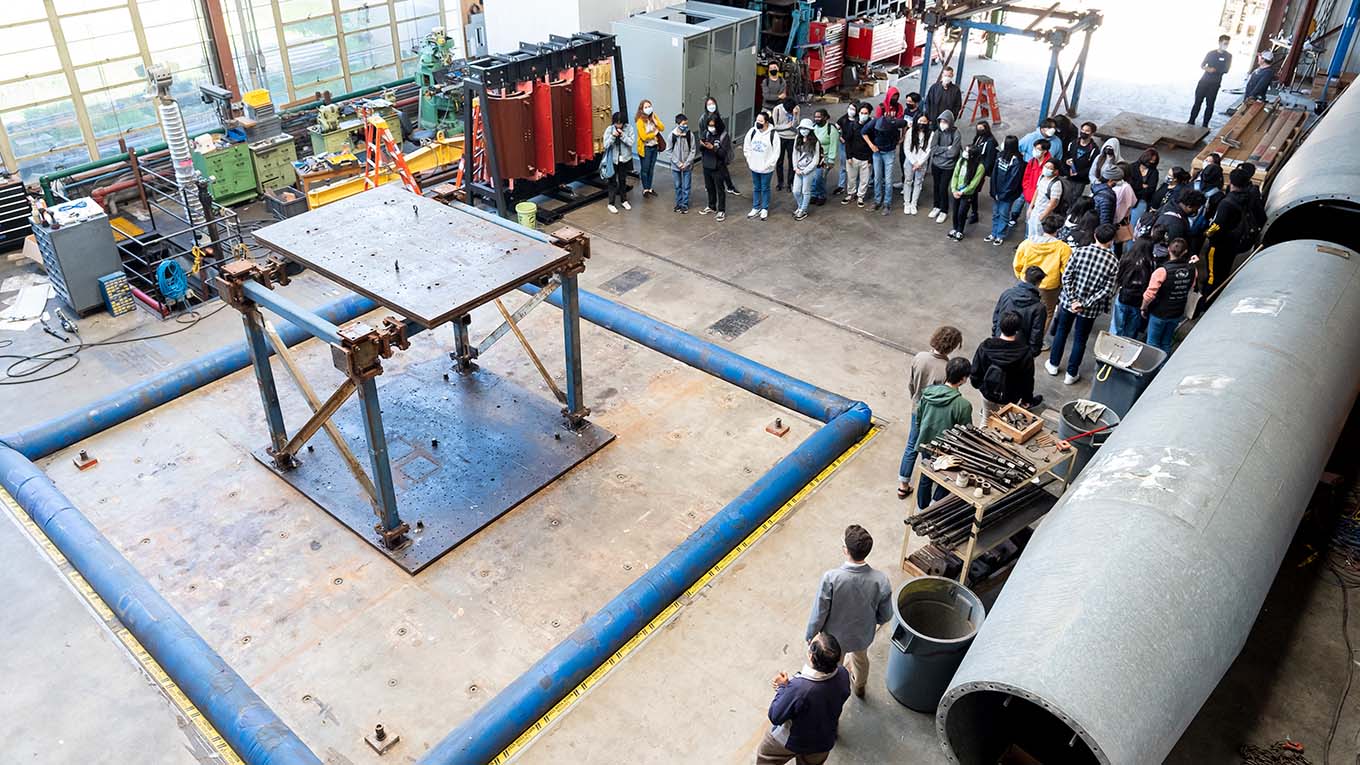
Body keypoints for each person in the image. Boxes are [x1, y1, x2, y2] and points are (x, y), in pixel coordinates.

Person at [804, 524, 893, 700]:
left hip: (834, 639)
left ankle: (834, 694)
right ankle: (860, 686)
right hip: (862, 635)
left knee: (834, 667)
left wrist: (811, 634)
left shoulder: (831, 578)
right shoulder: (880, 580)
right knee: (860, 660)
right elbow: (886, 615)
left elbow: (819, 612)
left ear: (846, 550)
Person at [757, 633, 851, 765]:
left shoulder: (799, 688)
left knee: (765, 756)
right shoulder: (843, 674)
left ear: (811, 656)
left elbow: (775, 716)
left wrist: (783, 687)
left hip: (793, 740)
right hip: (823, 741)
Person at [1045, 223, 1119, 385]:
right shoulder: (1113, 261)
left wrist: (1073, 300)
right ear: (1111, 241)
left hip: (1067, 303)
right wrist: (1085, 303)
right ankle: (1071, 374)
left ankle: (1053, 364)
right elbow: (1107, 290)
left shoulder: (1080, 251)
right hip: (1089, 309)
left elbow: (1066, 277)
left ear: (1095, 235)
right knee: (1080, 339)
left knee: (1062, 332)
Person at [898, 325, 964, 499]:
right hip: (932, 413)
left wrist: (915, 399)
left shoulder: (920, 357)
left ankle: (903, 484)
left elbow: (911, 383)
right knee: (929, 448)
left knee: (911, 445)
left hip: (917, 407)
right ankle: (929, 481)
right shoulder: (947, 368)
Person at [913, 357, 974, 510]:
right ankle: (936, 504)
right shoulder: (963, 405)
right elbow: (966, 433)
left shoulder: (928, 393)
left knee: (927, 474)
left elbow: (918, 418)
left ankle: (922, 508)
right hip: (947, 449)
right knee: (948, 477)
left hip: (926, 442)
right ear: (963, 379)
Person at [971, 311, 1042, 420]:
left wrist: (981, 386)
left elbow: (975, 371)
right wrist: (1027, 398)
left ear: (1000, 326)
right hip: (1010, 397)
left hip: (988, 393)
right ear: (1018, 330)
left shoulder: (986, 346)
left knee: (986, 419)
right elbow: (1027, 380)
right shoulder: (1024, 353)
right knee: (1006, 423)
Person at [1012, 214, 1073, 336]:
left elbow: (1017, 264)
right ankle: (1038, 340)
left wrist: (1021, 276)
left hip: (1027, 281)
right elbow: (1066, 270)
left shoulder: (1027, 243)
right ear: (1058, 230)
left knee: (1023, 308)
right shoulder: (1063, 248)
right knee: (1047, 313)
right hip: (1049, 286)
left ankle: (1019, 334)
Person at [1201, 165, 1254, 290]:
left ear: (1230, 182)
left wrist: (1207, 233)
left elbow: (1216, 225)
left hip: (1219, 244)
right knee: (1224, 269)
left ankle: (1208, 296)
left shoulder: (1226, 203)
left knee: (1212, 275)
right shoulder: (1249, 196)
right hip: (1234, 242)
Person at [1141, 237, 1197, 352]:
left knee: (1152, 343)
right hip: (1177, 312)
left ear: (1168, 250)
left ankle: (1151, 368)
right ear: (1185, 252)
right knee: (1166, 343)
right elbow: (1191, 288)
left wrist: (1143, 307)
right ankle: (1163, 367)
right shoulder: (1193, 270)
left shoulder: (1162, 271)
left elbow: (1149, 295)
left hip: (1159, 313)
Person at [861, 106, 908, 214]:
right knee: (877, 177)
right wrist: (871, 145)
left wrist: (903, 137)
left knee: (888, 179)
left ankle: (887, 203)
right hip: (877, 152)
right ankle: (877, 201)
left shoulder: (894, 122)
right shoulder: (874, 122)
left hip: (889, 152)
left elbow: (905, 124)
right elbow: (863, 132)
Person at [1111, 230, 1157, 338]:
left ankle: (1111, 347)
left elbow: (1118, 277)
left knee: (1116, 327)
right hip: (1138, 301)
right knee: (1130, 330)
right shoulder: (1151, 263)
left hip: (1123, 296)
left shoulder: (1127, 258)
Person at [993, 266, 1048, 357]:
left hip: (1000, 341)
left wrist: (996, 335)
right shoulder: (1039, 308)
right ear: (1039, 283)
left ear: (1025, 277)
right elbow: (1036, 334)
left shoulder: (1007, 293)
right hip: (1020, 351)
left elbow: (996, 316)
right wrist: (1032, 353)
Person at [987, 135, 1025, 245]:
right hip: (997, 192)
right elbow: (994, 173)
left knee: (1003, 214)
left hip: (1007, 195)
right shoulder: (999, 156)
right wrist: (994, 191)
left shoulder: (1016, 161)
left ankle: (1000, 235)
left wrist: (1003, 194)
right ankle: (993, 233)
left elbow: (1013, 180)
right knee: (995, 213)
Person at [1190, 35, 1233, 128]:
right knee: (1197, 102)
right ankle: (1191, 121)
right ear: (1219, 42)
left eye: (1227, 44)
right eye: (1224, 43)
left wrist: (1215, 70)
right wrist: (1207, 68)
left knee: (1210, 104)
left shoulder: (1228, 56)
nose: (1226, 45)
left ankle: (1205, 125)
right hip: (1204, 81)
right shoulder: (1211, 53)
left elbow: (1226, 69)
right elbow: (1202, 65)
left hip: (1215, 83)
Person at [744, 110, 781, 220]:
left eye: (760, 121)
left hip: (766, 169)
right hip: (754, 166)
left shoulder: (773, 134)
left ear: (766, 122)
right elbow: (747, 147)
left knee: (765, 188)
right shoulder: (752, 132)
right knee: (756, 187)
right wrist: (750, 161)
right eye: (757, 120)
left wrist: (769, 165)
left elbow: (776, 152)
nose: (758, 123)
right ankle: (756, 207)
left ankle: (764, 208)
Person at [927, 110, 961, 224]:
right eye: (941, 121)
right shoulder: (938, 132)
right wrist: (946, 148)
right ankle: (936, 206)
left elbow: (954, 153)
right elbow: (933, 149)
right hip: (936, 165)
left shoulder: (956, 134)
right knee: (936, 186)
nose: (942, 123)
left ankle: (944, 210)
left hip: (948, 167)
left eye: (945, 121)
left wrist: (940, 152)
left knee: (943, 188)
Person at [948, 145, 986, 241]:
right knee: (955, 211)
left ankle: (960, 230)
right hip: (956, 191)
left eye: (967, 151)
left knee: (962, 212)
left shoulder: (979, 167)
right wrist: (954, 189)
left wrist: (963, 192)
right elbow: (955, 175)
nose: (964, 152)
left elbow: (974, 183)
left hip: (967, 193)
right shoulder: (961, 161)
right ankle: (954, 228)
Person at [704, 96, 741, 195]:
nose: (711, 106)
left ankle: (729, 186)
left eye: (713, 104)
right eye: (709, 104)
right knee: (717, 167)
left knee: (722, 165)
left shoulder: (718, 116)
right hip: (710, 145)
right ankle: (714, 186)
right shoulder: (704, 118)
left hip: (720, 142)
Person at [600, 111, 634, 214]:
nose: (618, 125)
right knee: (612, 182)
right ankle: (611, 203)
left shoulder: (629, 128)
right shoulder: (609, 129)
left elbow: (631, 142)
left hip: (624, 159)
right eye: (616, 123)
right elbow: (605, 145)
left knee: (623, 180)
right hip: (612, 160)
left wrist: (623, 135)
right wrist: (613, 136)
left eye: (620, 123)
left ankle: (624, 200)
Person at [698, 113, 730, 221]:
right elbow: (701, 150)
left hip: (718, 166)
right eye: (709, 125)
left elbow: (723, 153)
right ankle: (711, 206)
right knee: (709, 187)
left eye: (713, 125)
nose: (711, 127)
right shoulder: (706, 133)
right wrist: (702, 145)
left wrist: (713, 148)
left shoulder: (723, 136)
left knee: (719, 188)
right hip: (707, 164)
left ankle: (721, 210)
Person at [841, 103, 873, 208]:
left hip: (865, 159)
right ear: (858, 113)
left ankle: (860, 196)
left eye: (866, 113)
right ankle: (851, 194)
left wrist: (870, 160)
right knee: (851, 178)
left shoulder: (871, 126)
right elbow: (848, 142)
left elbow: (872, 143)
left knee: (864, 179)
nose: (863, 115)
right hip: (853, 157)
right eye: (862, 113)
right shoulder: (852, 125)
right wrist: (849, 156)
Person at [901, 114, 933, 215]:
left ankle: (913, 203)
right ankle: (906, 203)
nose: (922, 124)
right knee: (908, 181)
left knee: (918, 183)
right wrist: (914, 162)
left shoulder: (930, 134)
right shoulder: (910, 132)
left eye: (924, 122)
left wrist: (920, 162)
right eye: (920, 121)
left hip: (921, 163)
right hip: (910, 161)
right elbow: (906, 148)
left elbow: (928, 150)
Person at [967, 121, 997, 224]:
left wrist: (982, 171)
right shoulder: (978, 138)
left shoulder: (990, 142)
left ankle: (974, 213)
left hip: (980, 168)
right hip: (973, 165)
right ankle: (972, 211)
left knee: (973, 190)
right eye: (978, 128)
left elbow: (989, 159)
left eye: (981, 129)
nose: (979, 130)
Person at [1027, 158, 1065, 241]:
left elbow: (1053, 204)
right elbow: (1037, 191)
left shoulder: (1056, 184)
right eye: (1046, 166)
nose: (1046, 169)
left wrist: (1042, 216)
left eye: (1050, 168)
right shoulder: (1042, 177)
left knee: (1039, 237)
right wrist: (1030, 207)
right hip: (1035, 211)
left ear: (1056, 171)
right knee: (1031, 235)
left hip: (1043, 215)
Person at [791, 118, 821, 221]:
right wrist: (795, 167)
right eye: (802, 128)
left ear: (810, 129)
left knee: (806, 191)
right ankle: (800, 207)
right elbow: (794, 154)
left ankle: (803, 210)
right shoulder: (797, 138)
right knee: (796, 191)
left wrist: (805, 170)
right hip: (798, 169)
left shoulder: (815, 142)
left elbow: (815, 160)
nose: (803, 130)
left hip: (808, 171)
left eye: (805, 128)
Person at [634, 100, 665, 197]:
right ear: (641, 109)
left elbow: (662, 127)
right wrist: (654, 133)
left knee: (651, 169)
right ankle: (645, 189)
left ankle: (650, 188)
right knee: (645, 169)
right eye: (646, 107)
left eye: (649, 106)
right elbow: (643, 136)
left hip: (654, 147)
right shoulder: (639, 121)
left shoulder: (653, 116)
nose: (648, 108)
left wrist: (655, 121)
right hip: (645, 148)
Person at [811, 108, 839, 205]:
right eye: (815, 117)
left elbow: (833, 145)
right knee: (813, 177)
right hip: (813, 157)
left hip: (825, 159)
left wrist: (831, 160)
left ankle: (821, 195)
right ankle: (814, 194)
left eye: (819, 117)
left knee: (820, 177)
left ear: (825, 117)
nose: (817, 119)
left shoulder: (831, 130)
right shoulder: (813, 127)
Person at [1064, 121, 1099, 200]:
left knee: (1075, 197)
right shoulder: (1073, 143)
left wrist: (1079, 173)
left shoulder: (1094, 149)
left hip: (1081, 179)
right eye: (1082, 130)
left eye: (1087, 131)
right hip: (1069, 176)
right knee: (1065, 195)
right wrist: (1067, 162)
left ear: (1092, 133)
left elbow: (1093, 166)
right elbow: (1067, 155)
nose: (1083, 132)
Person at [1127, 148, 1160, 232]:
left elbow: (1151, 189)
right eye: (1150, 160)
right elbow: (1129, 183)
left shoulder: (1154, 172)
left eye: (1154, 161)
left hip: (1142, 200)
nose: (1151, 162)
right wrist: (1141, 186)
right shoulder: (1132, 167)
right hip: (1128, 198)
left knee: (1133, 225)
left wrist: (1136, 187)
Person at [772, 96, 800, 192]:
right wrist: (786, 126)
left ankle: (790, 183)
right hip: (780, 137)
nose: (790, 112)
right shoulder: (777, 109)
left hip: (792, 138)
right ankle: (780, 182)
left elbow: (796, 126)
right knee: (779, 161)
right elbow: (775, 127)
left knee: (792, 161)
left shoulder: (796, 108)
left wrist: (795, 115)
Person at [670, 113, 695, 214]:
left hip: (687, 166)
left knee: (686, 186)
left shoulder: (690, 135)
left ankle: (684, 204)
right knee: (677, 185)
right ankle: (679, 203)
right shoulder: (672, 135)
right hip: (676, 167)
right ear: (677, 123)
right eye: (683, 124)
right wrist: (678, 163)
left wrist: (687, 162)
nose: (685, 126)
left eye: (686, 124)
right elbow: (669, 151)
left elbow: (693, 150)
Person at [1021, 138, 1052, 212]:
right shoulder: (1032, 161)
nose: (1034, 150)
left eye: (1038, 149)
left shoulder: (1049, 165)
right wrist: (1027, 191)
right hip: (1029, 195)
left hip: (1041, 200)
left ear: (1044, 151)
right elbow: (1026, 177)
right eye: (1034, 148)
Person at [835, 102, 859, 196]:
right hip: (844, 145)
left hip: (855, 146)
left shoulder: (858, 119)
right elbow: (836, 128)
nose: (850, 111)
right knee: (843, 166)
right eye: (849, 108)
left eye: (853, 109)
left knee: (855, 166)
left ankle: (855, 187)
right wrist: (840, 136)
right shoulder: (843, 119)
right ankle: (841, 186)